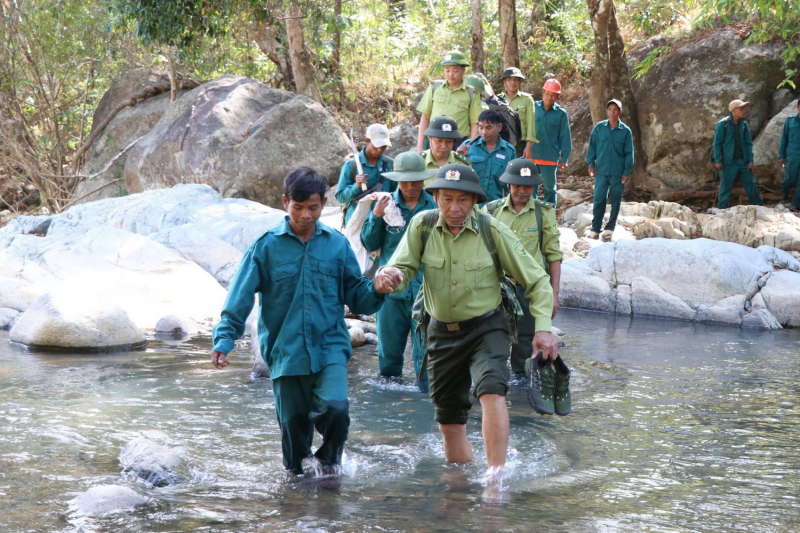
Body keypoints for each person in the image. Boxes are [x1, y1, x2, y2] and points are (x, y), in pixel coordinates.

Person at [374, 163, 559, 491]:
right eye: (446, 199)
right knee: (449, 419)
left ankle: (494, 481)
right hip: (441, 331)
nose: (454, 208)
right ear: (436, 198)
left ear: (475, 201)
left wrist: (543, 328)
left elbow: (538, 279)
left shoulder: (492, 229)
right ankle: (459, 486)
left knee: (491, 390)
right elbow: (402, 266)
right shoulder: (422, 225)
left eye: (462, 200)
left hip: (487, 328)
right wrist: (391, 276)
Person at [210, 167, 398, 477]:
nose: (306, 215)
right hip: (286, 352)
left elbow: (357, 294)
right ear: (285, 202)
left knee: (337, 409)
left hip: (330, 348)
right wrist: (224, 340)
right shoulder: (266, 247)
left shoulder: (337, 245)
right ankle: (297, 499)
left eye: (313, 207)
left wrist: (377, 286)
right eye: (298, 208)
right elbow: (239, 297)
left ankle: (329, 467)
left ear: (323, 203)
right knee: (294, 439)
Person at [481, 158, 564, 387]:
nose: (522, 190)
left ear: (535, 187)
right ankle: (493, 387)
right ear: (508, 185)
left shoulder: (543, 212)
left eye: (527, 186)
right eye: (517, 185)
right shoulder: (491, 211)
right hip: (498, 290)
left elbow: (553, 256)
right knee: (494, 340)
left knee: (526, 346)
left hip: (530, 290)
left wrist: (554, 294)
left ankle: (522, 395)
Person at [360, 152, 438, 392]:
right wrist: (375, 216)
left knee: (426, 356)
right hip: (390, 293)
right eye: (406, 181)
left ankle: (426, 404)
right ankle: (388, 411)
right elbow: (369, 244)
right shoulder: (385, 204)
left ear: (424, 180)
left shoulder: (435, 207)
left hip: (426, 294)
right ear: (397, 181)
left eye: (417, 181)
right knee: (389, 358)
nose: (412, 187)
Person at [585, 99, 634, 241]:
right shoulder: (599, 128)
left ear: (620, 112)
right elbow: (592, 147)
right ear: (606, 111)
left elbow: (629, 153)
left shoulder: (625, 131)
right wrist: (591, 164)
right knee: (599, 198)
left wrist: (626, 171)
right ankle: (595, 229)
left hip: (618, 172)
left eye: (615, 110)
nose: (612, 112)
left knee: (616, 200)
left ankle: (610, 228)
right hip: (601, 170)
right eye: (610, 109)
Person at [416, 51, 482, 152]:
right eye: (447, 70)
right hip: (434, 140)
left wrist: (470, 147)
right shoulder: (435, 87)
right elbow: (425, 116)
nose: (451, 74)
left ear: (463, 70)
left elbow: (475, 124)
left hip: (458, 143)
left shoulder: (472, 93)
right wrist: (420, 146)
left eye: (455, 70)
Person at [335, 123, 396, 226]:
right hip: (358, 222)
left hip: (383, 222)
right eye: (377, 146)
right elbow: (340, 197)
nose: (380, 150)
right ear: (367, 141)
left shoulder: (390, 164)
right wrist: (356, 186)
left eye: (383, 146)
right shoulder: (352, 165)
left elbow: (394, 193)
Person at [713, 99, 763, 210]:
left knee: (751, 184)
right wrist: (718, 160)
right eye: (741, 108)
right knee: (725, 187)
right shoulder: (722, 124)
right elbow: (717, 144)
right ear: (733, 110)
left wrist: (750, 160)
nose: (744, 111)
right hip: (728, 162)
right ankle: (722, 210)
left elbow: (748, 143)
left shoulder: (744, 124)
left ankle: (759, 208)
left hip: (743, 161)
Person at [530, 79, 572, 206]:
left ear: (558, 96)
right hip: (531, 156)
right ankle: (531, 216)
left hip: (549, 157)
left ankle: (549, 218)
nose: (550, 97)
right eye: (548, 93)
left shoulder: (561, 114)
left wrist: (564, 158)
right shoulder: (532, 108)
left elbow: (565, 137)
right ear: (543, 92)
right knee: (530, 189)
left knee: (549, 189)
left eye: (554, 95)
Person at [466, 110, 517, 203]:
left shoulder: (509, 151)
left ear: (499, 127)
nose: (483, 132)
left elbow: (511, 184)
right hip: (470, 204)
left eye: (488, 128)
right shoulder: (467, 147)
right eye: (480, 128)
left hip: (496, 206)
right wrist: (459, 157)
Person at [497, 67, 537, 159]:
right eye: (509, 79)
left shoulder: (527, 99)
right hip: (501, 143)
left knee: (519, 171)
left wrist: (529, 146)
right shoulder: (498, 99)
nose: (512, 82)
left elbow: (531, 124)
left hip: (520, 145)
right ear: (504, 82)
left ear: (519, 82)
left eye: (516, 80)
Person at [421, 116, 471, 183]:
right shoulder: (418, 162)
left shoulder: (462, 164)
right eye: (439, 141)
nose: (444, 146)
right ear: (430, 138)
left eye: (449, 141)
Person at [778, 98, 800, 212]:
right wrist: (781, 155)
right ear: (798, 107)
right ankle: (784, 195)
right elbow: (784, 139)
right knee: (788, 180)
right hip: (792, 156)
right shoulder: (790, 121)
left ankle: (795, 205)